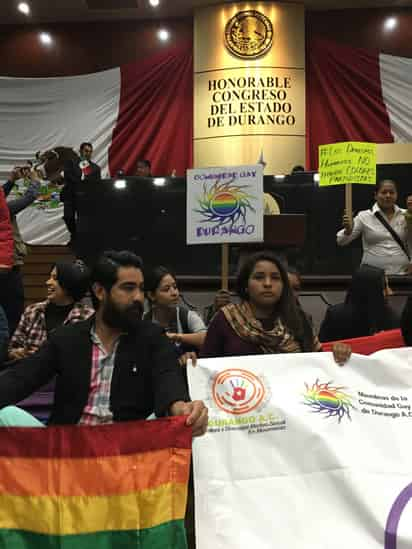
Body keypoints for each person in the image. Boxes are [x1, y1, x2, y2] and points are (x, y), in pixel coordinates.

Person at [0, 250, 208, 434]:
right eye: (128, 288)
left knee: (168, 422)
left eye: (141, 289)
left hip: (127, 453)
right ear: (100, 291)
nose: (138, 297)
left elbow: (168, 382)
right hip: (68, 451)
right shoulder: (66, 338)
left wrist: (182, 409)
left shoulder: (152, 338)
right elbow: (20, 379)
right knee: (6, 414)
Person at [201, 251, 350, 364]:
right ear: (246, 285)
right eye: (259, 277)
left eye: (275, 278)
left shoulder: (298, 319)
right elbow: (206, 366)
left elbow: (317, 363)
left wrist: (337, 354)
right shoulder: (225, 319)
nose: (267, 283)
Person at [8, 260, 93, 361]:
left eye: (55, 278)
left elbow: (88, 358)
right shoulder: (33, 311)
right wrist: (17, 353)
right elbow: (12, 348)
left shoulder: (87, 317)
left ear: (68, 283)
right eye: (50, 277)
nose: (48, 282)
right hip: (27, 373)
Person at [337, 180, 412, 275]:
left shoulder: (406, 215)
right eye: (384, 192)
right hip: (372, 277)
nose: (388, 195)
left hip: (402, 274)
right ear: (376, 195)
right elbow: (341, 241)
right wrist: (348, 230)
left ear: (396, 195)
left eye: (391, 192)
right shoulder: (364, 216)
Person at [1, 166, 41, 335]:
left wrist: (11, 181)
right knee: (13, 312)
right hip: (8, 269)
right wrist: (35, 179)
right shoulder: (6, 209)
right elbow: (29, 196)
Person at [319, 264, 399, 343]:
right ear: (371, 291)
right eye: (384, 288)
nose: (390, 292)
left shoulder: (391, 318)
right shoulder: (336, 316)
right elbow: (322, 350)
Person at [144, 266, 207, 362]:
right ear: (151, 295)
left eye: (175, 287)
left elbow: (206, 339)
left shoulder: (187, 316)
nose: (174, 293)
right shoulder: (143, 320)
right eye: (166, 289)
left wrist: (176, 337)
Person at [61, 142, 101, 245]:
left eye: (90, 152)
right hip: (70, 195)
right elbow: (68, 177)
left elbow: (96, 184)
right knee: (68, 217)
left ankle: (79, 240)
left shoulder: (96, 168)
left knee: (82, 221)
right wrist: (81, 185)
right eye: (86, 151)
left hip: (85, 198)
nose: (88, 153)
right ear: (80, 151)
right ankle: (74, 235)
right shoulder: (71, 162)